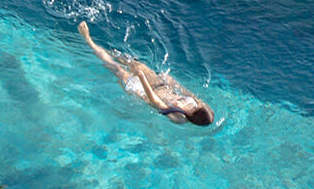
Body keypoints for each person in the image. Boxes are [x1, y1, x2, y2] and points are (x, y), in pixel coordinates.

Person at [78, 22, 214, 126]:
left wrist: (142, 78)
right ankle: (107, 48)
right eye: (198, 106)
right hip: (160, 85)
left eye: (195, 108)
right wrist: (171, 82)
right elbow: (185, 91)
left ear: (193, 116)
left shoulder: (178, 118)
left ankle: (88, 40)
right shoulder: (198, 105)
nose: (195, 105)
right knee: (132, 62)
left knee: (117, 69)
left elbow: (155, 101)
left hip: (143, 91)